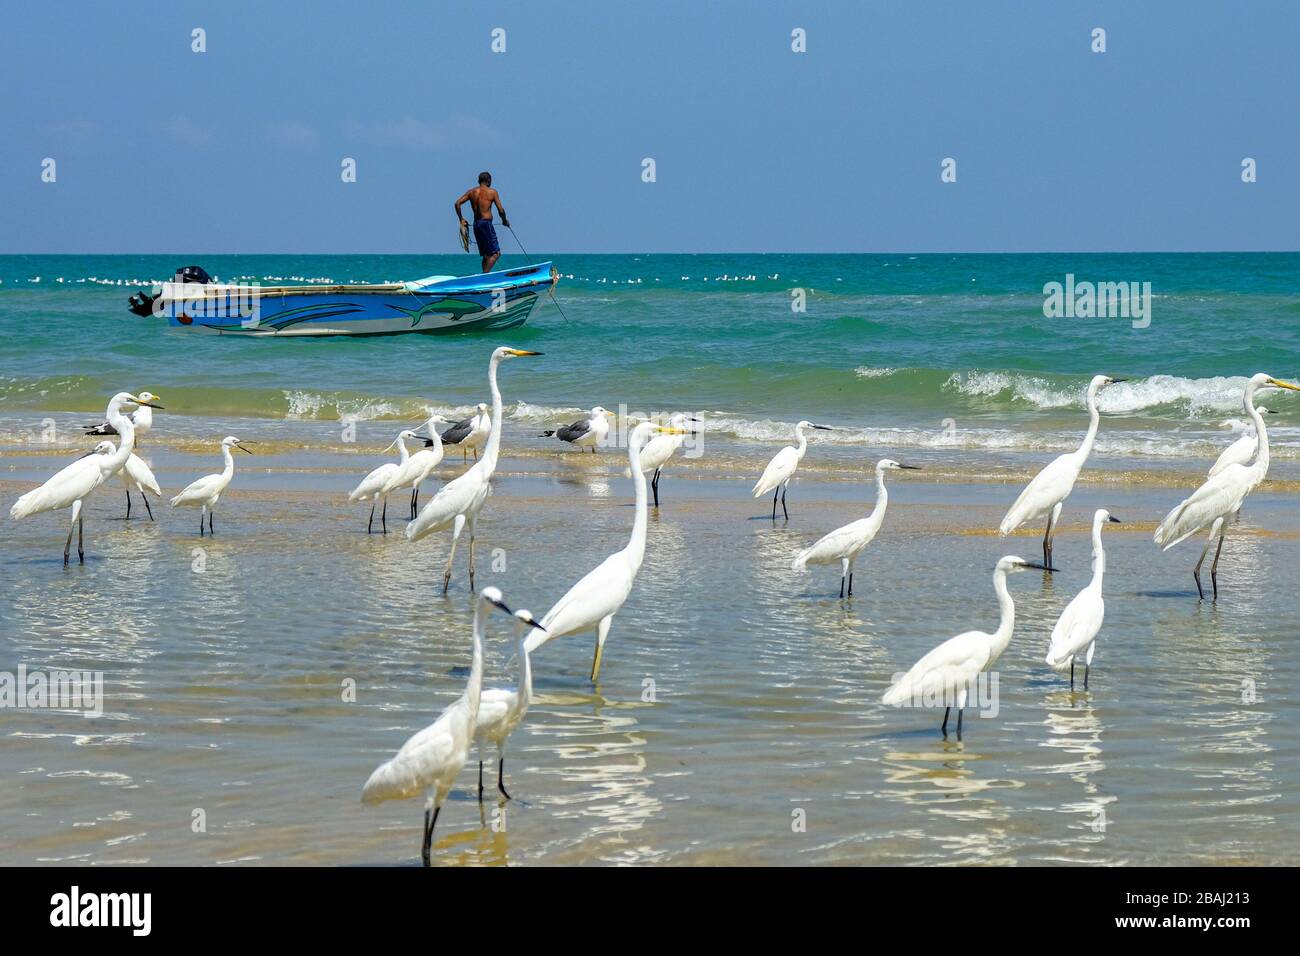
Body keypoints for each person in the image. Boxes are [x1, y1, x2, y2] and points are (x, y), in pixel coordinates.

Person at [455, 172, 510, 273]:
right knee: (495, 253)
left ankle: (483, 277)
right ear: (489, 181)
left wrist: (461, 219)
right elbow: (501, 210)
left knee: (486, 255)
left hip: (476, 225)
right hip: (486, 224)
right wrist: (504, 221)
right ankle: (484, 275)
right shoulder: (492, 192)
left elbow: (457, 203)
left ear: (478, 181)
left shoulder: (471, 192)